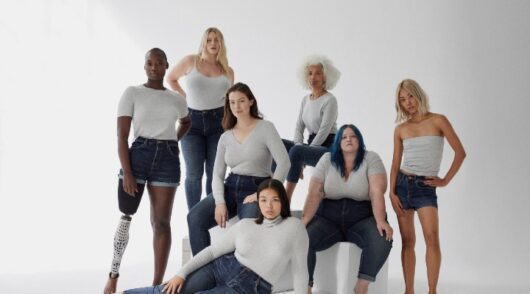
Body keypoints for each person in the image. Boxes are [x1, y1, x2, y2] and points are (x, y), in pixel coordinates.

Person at [119, 179, 309, 294]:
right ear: (257, 202)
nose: (269, 206)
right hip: (221, 267)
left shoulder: (294, 228)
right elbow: (211, 252)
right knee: (167, 290)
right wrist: (181, 274)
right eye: (263, 200)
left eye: (275, 200)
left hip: (250, 287)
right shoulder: (246, 225)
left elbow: (300, 273)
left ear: (283, 201)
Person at [103, 48, 191, 294]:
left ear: (166, 66)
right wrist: (127, 172)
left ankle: (156, 286)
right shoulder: (132, 93)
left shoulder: (176, 99)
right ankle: (113, 275)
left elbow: (186, 121)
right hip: (138, 156)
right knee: (126, 215)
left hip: (168, 160)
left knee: (161, 223)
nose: (154, 67)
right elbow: (121, 137)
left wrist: (173, 141)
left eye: (159, 63)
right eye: (149, 63)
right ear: (145, 66)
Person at [187, 82, 290, 255]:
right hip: (230, 187)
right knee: (194, 218)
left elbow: (284, 162)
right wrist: (220, 202)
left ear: (251, 101)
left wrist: (263, 194)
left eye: (241, 101)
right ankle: (203, 269)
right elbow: (217, 175)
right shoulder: (225, 136)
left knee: (248, 231)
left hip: (257, 187)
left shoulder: (266, 128)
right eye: (232, 102)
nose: (237, 106)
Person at [389, 79, 466, 294]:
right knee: (408, 241)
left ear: (418, 94)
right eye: (402, 100)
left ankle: (432, 291)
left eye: (410, 96)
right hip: (402, 185)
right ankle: (409, 290)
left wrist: (445, 180)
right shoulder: (401, 129)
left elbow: (460, 153)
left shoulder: (439, 120)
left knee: (432, 238)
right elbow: (395, 163)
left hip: (425, 187)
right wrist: (391, 192)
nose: (408, 103)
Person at [302, 124, 393, 294]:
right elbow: (315, 192)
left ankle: (361, 285)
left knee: (383, 238)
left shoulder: (371, 158)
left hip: (362, 218)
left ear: (360, 140)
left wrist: (381, 221)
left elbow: (376, 192)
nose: (348, 139)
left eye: (353, 136)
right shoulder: (327, 159)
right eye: (343, 137)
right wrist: (305, 220)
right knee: (303, 238)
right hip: (328, 218)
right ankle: (306, 287)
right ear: (338, 141)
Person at [166, 27, 234, 210]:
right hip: (191, 123)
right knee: (194, 174)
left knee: (215, 174)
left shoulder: (228, 71)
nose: (213, 43)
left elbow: (231, 101)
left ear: (221, 44)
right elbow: (171, 78)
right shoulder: (191, 61)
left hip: (219, 123)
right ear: (203, 42)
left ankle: (211, 217)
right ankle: (194, 216)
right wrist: (185, 97)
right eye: (209, 39)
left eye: (217, 40)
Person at [280, 55, 340, 201]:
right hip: (310, 144)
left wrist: (301, 157)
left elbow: (324, 132)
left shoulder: (329, 100)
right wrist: (299, 149)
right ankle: (273, 189)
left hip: (328, 146)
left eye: (318, 73)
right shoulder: (305, 100)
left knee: (297, 151)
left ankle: (286, 200)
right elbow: (299, 127)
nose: (313, 77)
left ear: (325, 76)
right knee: (279, 144)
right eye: (310, 73)